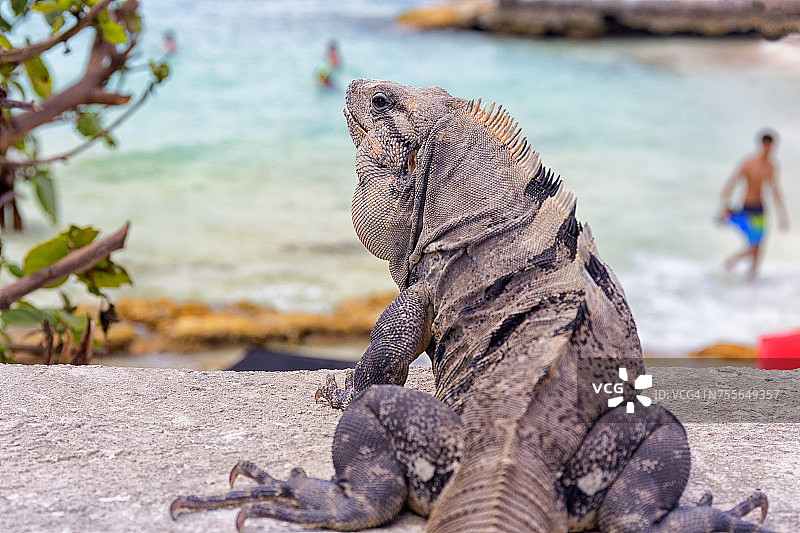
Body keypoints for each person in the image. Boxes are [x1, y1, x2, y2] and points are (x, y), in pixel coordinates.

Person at [718, 130, 789, 279]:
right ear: (763, 144)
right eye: (768, 145)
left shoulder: (771, 167)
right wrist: (724, 206)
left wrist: (782, 215)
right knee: (754, 246)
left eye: (773, 146)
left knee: (759, 249)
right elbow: (732, 182)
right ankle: (731, 261)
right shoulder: (749, 163)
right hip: (746, 209)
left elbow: (775, 191)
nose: (770, 149)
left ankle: (752, 279)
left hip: (760, 210)